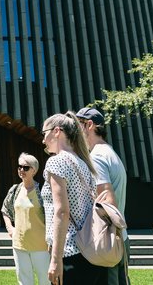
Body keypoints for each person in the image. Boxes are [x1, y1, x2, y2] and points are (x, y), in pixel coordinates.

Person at [40, 112, 106, 285]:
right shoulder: (83, 162)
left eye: (44, 133)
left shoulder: (56, 162)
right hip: (89, 250)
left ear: (56, 131)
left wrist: (55, 259)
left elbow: (61, 212)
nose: (42, 140)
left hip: (69, 252)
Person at [77, 107, 129, 285]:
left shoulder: (97, 157)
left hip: (108, 242)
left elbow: (108, 200)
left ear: (89, 125)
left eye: (78, 125)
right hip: (119, 239)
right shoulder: (109, 152)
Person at [1, 152, 49, 285]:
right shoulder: (15, 190)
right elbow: (5, 209)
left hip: (41, 246)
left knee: (45, 281)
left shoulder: (43, 192)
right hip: (19, 245)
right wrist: (10, 228)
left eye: (26, 167)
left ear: (34, 170)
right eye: (19, 167)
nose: (22, 170)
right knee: (24, 282)